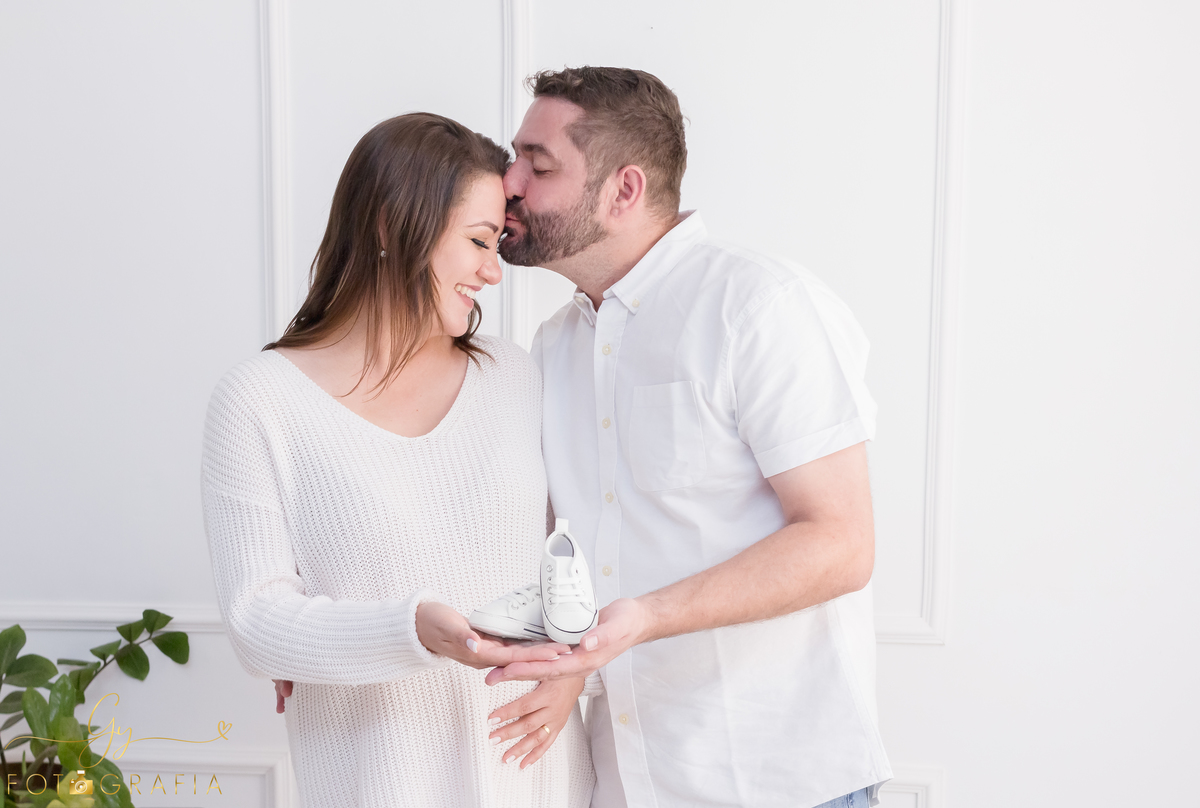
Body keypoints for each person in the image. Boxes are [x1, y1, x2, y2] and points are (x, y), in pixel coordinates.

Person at [489, 67, 893, 808]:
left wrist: (646, 618)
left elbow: (841, 541)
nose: (507, 182)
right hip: (628, 781)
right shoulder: (552, 346)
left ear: (624, 190)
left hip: (781, 782)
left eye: (537, 166)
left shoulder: (761, 308)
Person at [202, 112, 595, 808]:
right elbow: (257, 622)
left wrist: (576, 672)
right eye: (478, 241)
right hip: (380, 782)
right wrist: (409, 629)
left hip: (539, 778)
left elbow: (579, 559)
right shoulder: (260, 400)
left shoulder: (513, 374)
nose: (493, 270)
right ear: (391, 226)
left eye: (496, 243)